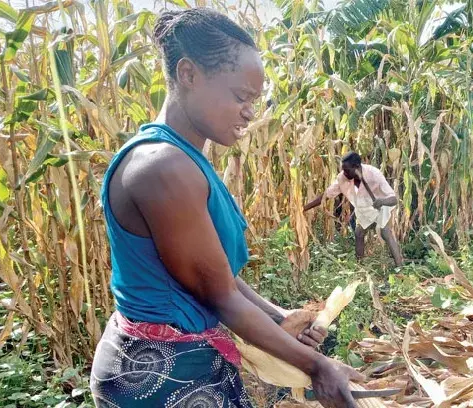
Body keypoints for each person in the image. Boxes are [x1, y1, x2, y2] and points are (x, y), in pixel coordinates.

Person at [90, 8, 361, 408]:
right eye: (241, 96)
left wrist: (277, 315)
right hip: (157, 374)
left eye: (255, 99)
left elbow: (217, 277)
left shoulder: (184, 159)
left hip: (183, 363)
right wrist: (319, 367)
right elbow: (220, 296)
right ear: (188, 74)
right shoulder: (163, 167)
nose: (250, 112)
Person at [304, 152, 404, 267]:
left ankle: (399, 267)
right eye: (343, 170)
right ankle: (360, 267)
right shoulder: (343, 177)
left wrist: (381, 201)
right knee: (359, 233)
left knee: (385, 232)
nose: (344, 173)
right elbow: (326, 195)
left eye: (347, 170)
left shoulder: (374, 174)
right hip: (363, 208)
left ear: (357, 166)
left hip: (381, 207)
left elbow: (393, 199)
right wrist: (305, 208)